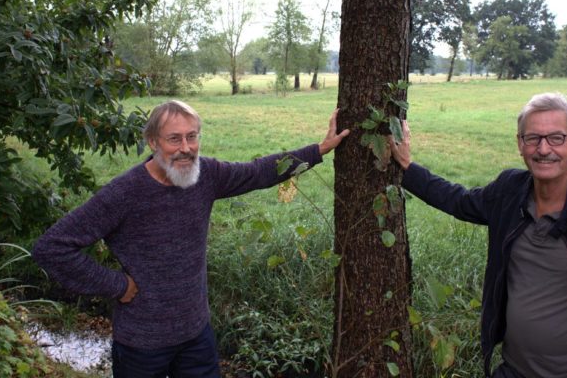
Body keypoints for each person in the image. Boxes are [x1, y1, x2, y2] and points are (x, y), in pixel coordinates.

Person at [32, 100, 349, 378]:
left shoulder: (205, 175)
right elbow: (52, 247)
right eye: (174, 139)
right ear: (153, 142)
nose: (186, 147)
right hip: (142, 345)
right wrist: (117, 286)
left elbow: (258, 172)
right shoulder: (124, 193)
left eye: (192, 136)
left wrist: (318, 150)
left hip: (196, 335)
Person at [390, 92, 567, 378]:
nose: (543, 149)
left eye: (556, 138)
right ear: (520, 144)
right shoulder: (509, 192)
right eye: (533, 138)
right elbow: (461, 202)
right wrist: (407, 168)